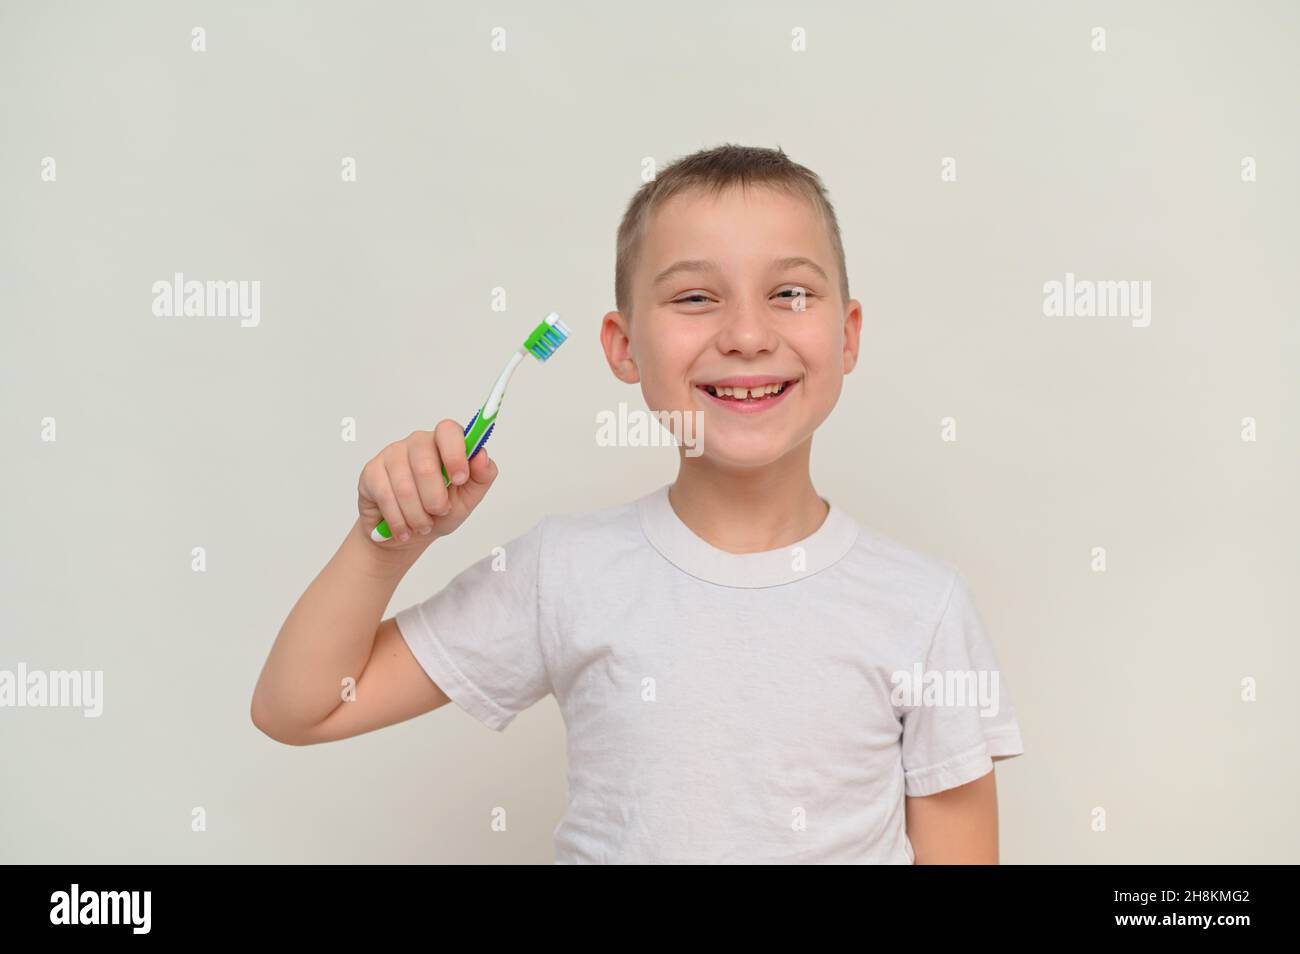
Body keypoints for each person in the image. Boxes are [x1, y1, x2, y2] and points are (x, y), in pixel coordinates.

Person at [251, 143, 1025, 863]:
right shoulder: (565, 572)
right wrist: (385, 544)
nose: (748, 334)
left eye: (790, 292)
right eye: (695, 296)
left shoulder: (923, 608)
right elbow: (300, 708)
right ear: (624, 348)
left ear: (848, 335)